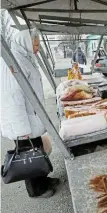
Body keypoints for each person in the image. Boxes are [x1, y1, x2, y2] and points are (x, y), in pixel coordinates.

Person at [0, 29, 59, 198]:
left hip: (30, 117)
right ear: (25, 42)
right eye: (36, 44)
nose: (37, 48)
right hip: (22, 122)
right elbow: (11, 97)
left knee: (37, 151)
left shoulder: (25, 57)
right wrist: (21, 129)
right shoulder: (13, 61)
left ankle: (43, 179)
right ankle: (36, 190)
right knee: (27, 157)